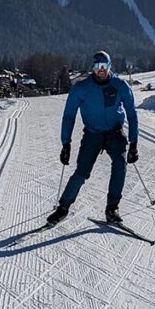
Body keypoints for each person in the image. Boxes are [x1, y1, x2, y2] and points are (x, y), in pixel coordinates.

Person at [46, 50, 138, 225]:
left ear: (110, 66)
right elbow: (69, 116)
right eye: (97, 66)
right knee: (81, 173)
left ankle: (112, 208)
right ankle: (63, 208)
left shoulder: (120, 86)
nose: (101, 70)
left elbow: (132, 114)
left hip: (115, 132)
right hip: (92, 134)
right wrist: (66, 144)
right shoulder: (81, 88)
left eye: (104, 66)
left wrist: (134, 142)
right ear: (92, 68)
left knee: (120, 165)